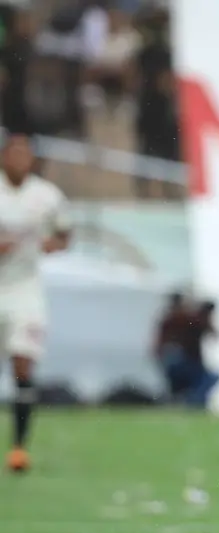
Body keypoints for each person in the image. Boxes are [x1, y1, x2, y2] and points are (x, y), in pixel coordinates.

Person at [1, 134, 72, 472]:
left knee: (23, 364)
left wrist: (52, 245)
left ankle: (18, 447)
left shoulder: (46, 196)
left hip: (25, 290)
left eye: (24, 154)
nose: (19, 159)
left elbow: (64, 234)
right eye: (13, 153)